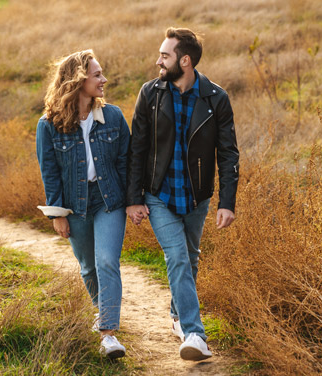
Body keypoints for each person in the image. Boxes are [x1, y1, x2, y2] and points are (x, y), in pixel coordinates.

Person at [126, 27, 239, 361]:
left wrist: (226, 203)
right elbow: (137, 149)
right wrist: (134, 198)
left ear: (185, 61)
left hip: (196, 197)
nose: (158, 61)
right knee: (177, 257)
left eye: (165, 55)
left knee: (190, 259)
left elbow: (228, 153)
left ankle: (177, 314)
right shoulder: (150, 94)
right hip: (158, 195)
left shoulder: (215, 99)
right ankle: (195, 334)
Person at [36, 50, 130, 359]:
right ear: (78, 81)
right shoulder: (48, 125)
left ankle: (108, 334)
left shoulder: (113, 116)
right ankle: (100, 309)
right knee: (88, 267)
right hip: (74, 206)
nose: (104, 80)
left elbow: (126, 163)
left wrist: (134, 201)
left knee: (106, 262)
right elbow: (50, 173)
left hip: (109, 200)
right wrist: (57, 214)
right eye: (97, 75)